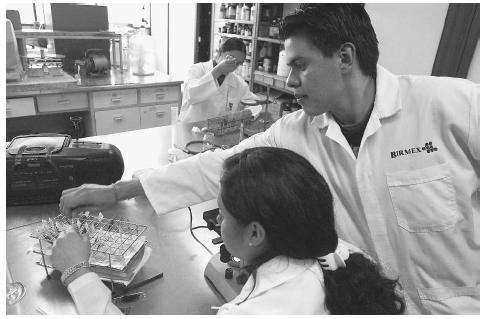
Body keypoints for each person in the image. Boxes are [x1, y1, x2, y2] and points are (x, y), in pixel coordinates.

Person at [59, 4, 479, 314]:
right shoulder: (298, 130)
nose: (291, 80)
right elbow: (217, 166)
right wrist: (115, 190)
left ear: (346, 58)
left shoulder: (453, 106)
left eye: (301, 66)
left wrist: (79, 275)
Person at [52, 147, 405, 314]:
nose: (218, 223)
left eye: (221, 214)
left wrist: (77, 272)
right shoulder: (345, 255)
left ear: (255, 234)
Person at [178, 37, 259, 122]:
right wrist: (218, 70)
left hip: (217, 132)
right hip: (190, 129)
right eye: (231, 59)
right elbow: (191, 95)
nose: (233, 66)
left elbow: (255, 103)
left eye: (238, 63)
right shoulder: (197, 69)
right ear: (220, 52)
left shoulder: (237, 82)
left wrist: (246, 113)